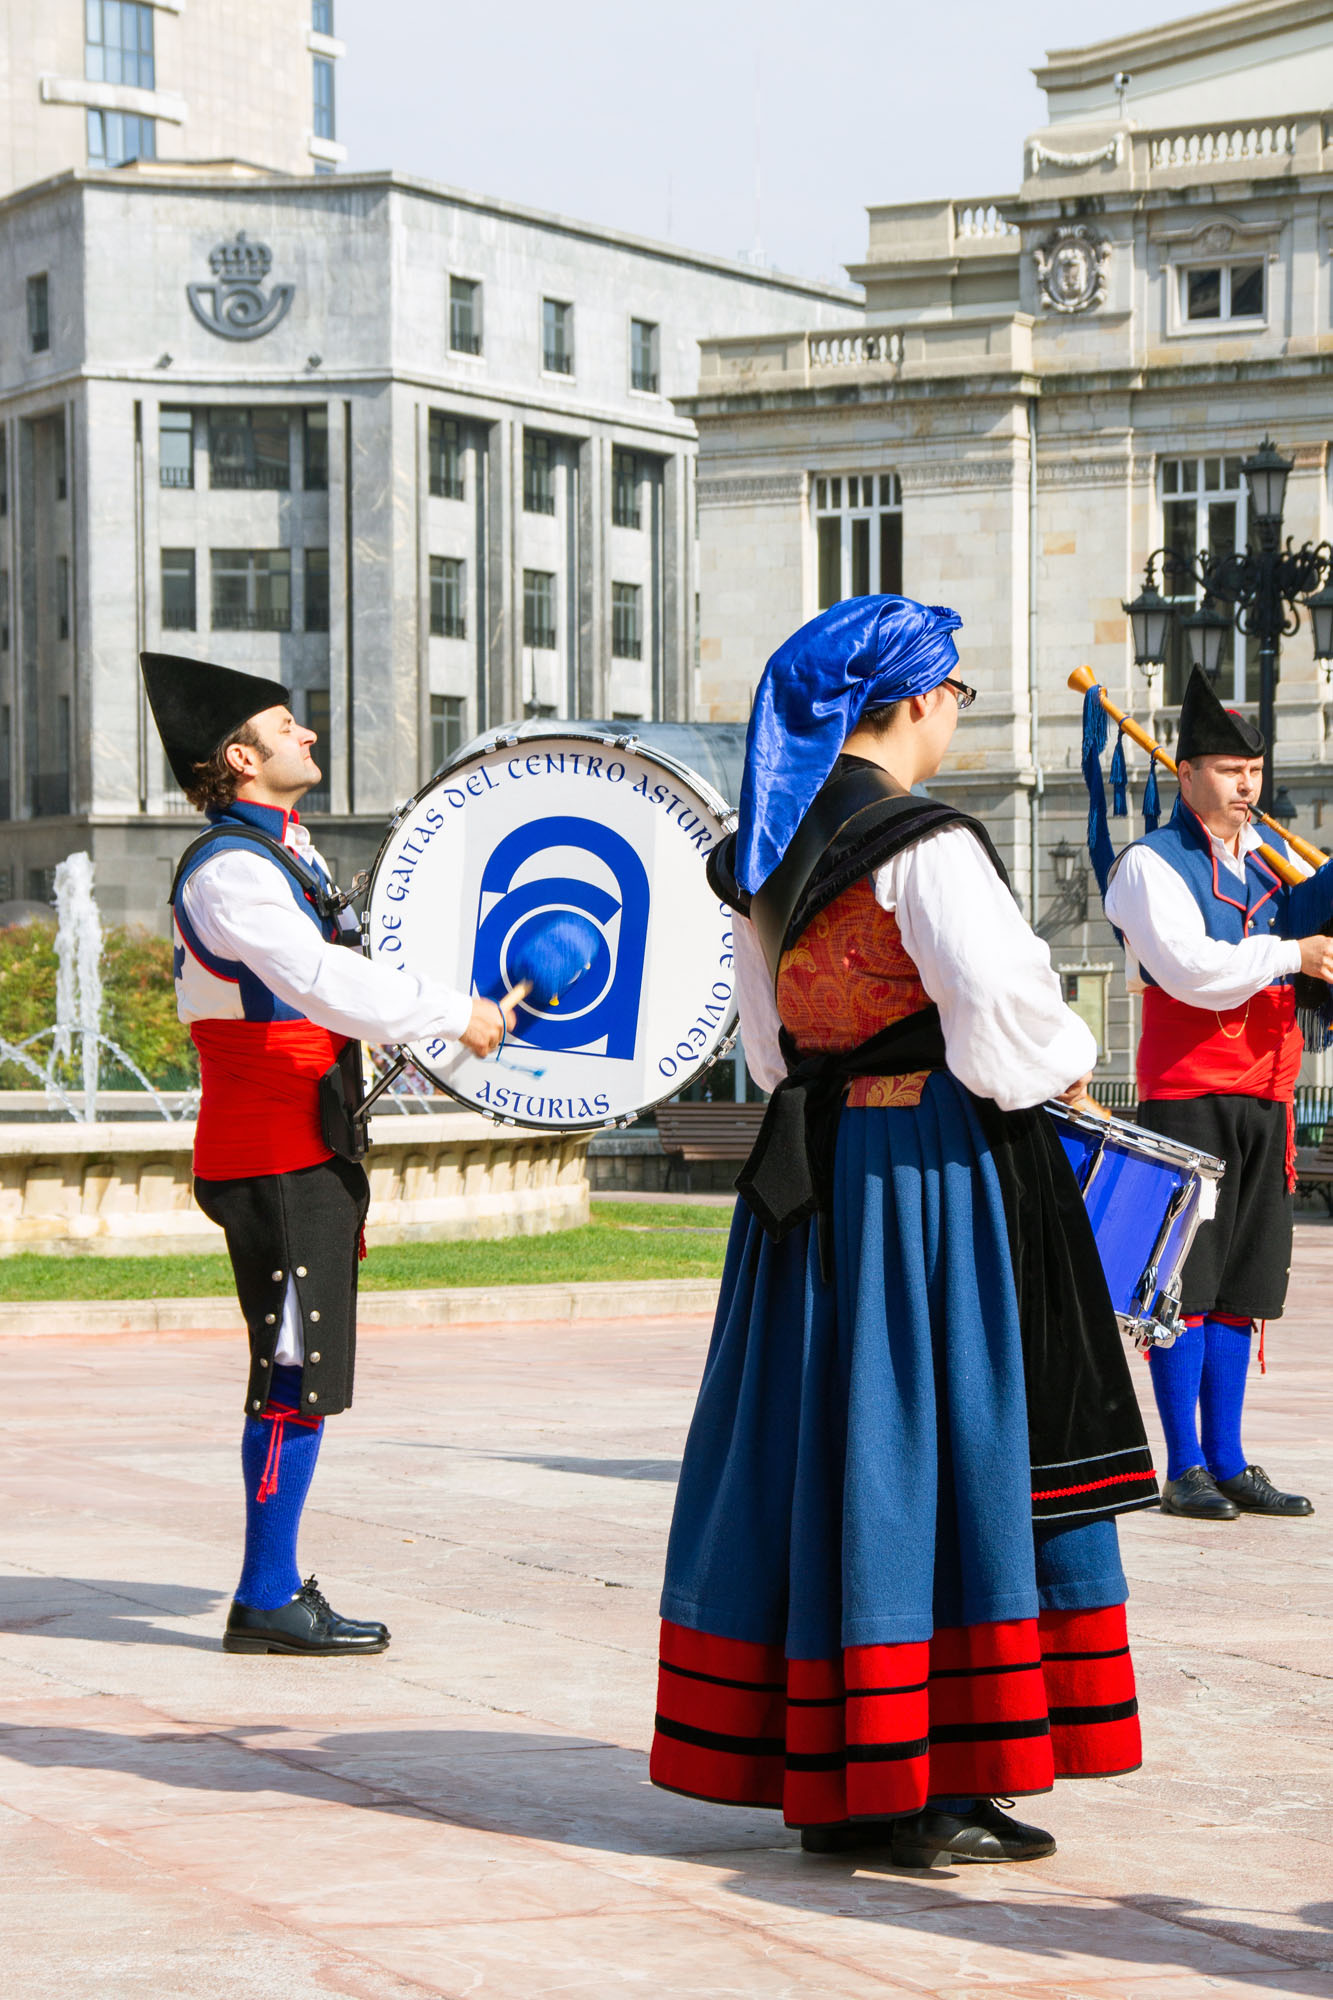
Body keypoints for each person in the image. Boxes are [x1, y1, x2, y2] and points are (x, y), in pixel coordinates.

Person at [649, 597, 1157, 1866]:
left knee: (834, 1444)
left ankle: (844, 1772)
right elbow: (1006, 1017)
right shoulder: (922, 840)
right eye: (957, 692)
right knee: (946, 1441)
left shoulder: (760, 847)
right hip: (928, 1169)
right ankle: (924, 1777)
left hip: (812, 1176)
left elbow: (769, 1047)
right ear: (919, 700)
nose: (957, 713)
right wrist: (1065, 1068)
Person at [141, 652, 515, 1655]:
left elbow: (345, 975)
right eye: (286, 725)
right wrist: (452, 1014)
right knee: (292, 1367)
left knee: (301, 1365)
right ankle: (266, 1596)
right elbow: (315, 979)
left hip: (303, 1144)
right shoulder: (230, 868)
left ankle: (271, 1585)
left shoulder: (285, 851)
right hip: (272, 1150)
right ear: (239, 756)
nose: (308, 734)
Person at [1104, 667, 1332, 1522]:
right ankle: (1184, 1465)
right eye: (1232, 772)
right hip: (1187, 1098)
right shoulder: (1147, 865)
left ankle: (1231, 1459)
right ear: (1185, 773)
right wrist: (1292, 954)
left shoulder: (1270, 875)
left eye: (1256, 773)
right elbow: (1193, 971)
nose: (1248, 787)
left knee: (1241, 1287)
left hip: (1266, 1099)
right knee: (1183, 1288)